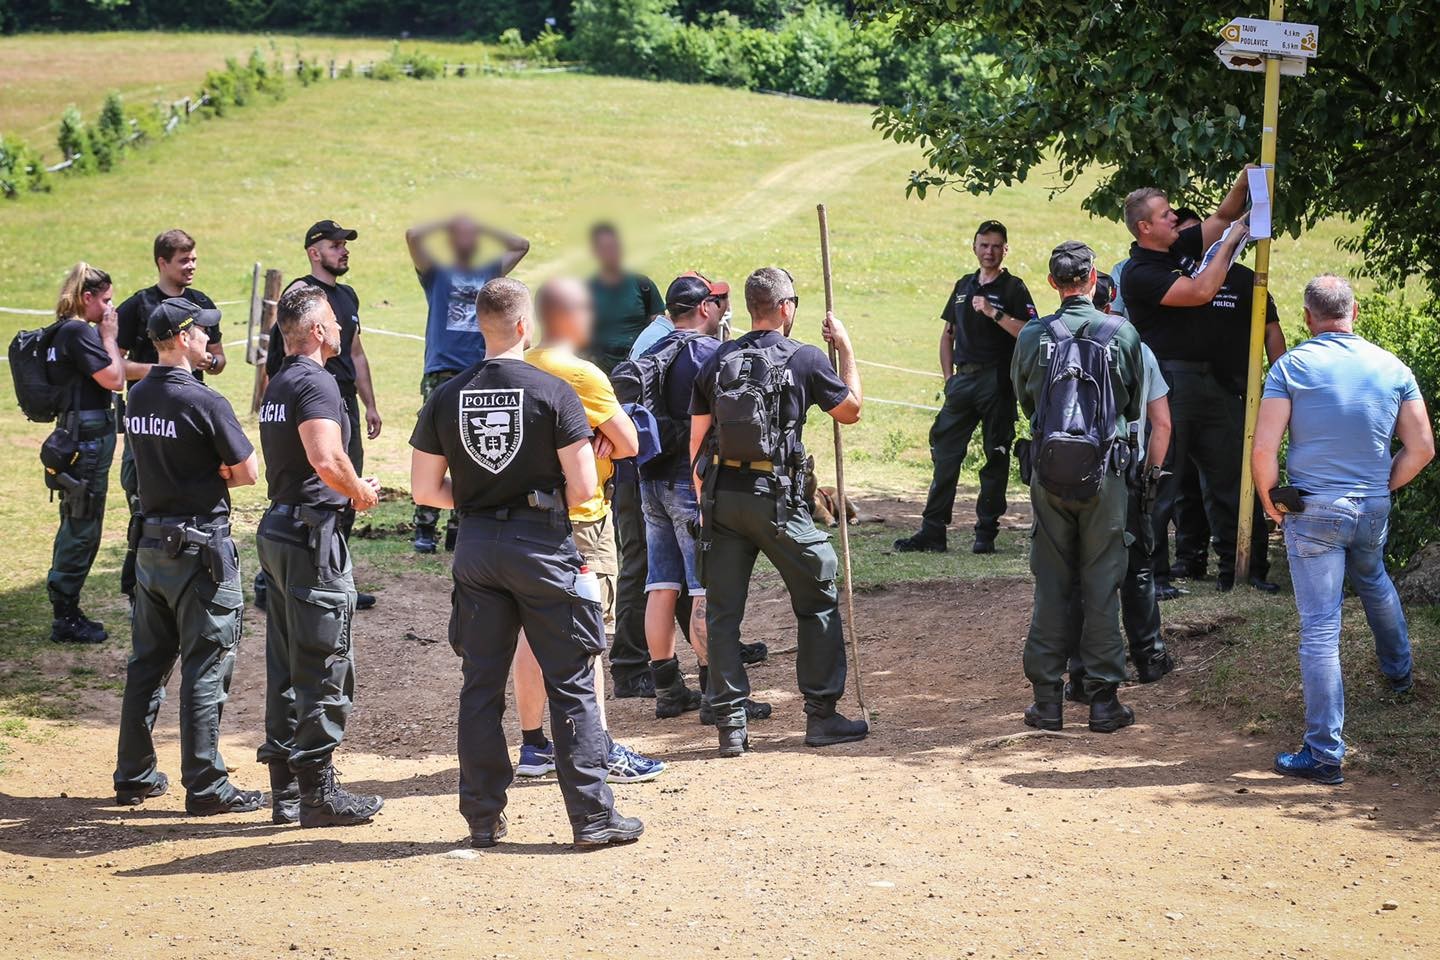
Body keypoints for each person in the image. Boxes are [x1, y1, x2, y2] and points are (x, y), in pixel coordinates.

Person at [410, 276, 644, 849]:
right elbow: (584, 487)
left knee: (480, 686)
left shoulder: (446, 395)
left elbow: (423, 489)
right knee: (571, 681)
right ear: (524, 326)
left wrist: (474, 500)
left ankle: (483, 819)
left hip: (476, 547)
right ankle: (591, 818)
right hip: (541, 546)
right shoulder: (552, 391)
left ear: (481, 326)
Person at [1254, 275, 1434, 785]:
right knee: (1374, 578)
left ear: (1308, 317)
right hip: (1371, 504)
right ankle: (1399, 676)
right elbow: (1422, 448)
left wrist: (1272, 504)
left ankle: (1324, 751)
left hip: (1312, 509)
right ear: (1353, 311)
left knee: (1320, 626)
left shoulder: (1291, 366)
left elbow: (1265, 448)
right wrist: (1382, 486)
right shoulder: (1393, 367)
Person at [690, 267, 867, 757]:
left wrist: (708, 506)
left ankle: (730, 724)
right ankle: (822, 715)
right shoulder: (805, 358)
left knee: (723, 613)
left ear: (750, 307)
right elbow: (850, 410)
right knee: (818, 593)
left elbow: (695, 449)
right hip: (777, 498)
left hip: (723, 498)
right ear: (786, 307)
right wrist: (847, 349)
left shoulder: (719, 357)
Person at [112, 297, 262, 814]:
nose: (209, 341)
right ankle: (206, 785)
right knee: (206, 666)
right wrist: (219, 470)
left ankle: (132, 774)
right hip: (199, 551)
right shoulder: (205, 400)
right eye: (203, 333)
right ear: (181, 337)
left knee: (146, 666)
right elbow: (247, 473)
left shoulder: (139, 396)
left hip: (150, 549)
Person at [513, 277, 666, 784]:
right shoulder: (583, 375)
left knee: (529, 639)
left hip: (519, 521)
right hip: (580, 523)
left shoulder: (516, 366)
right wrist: (601, 435)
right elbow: (628, 443)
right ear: (571, 318)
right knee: (588, 640)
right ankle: (597, 748)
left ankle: (533, 745)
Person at [254, 285, 384, 828]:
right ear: (315, 331)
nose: (340, 327)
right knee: (326, 661)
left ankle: (286, 791)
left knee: (286, 661)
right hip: (312, 537)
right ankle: (319, 795)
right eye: (332, 320)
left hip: (281, 530)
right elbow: (327, 458)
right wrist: (360, 490)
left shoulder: (280, 381)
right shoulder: (317, 382)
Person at [1011, 242, 1144, 733]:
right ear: (1093, 280)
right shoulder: (1121, 332)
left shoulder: (1033, 334)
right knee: (1102, 584)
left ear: (1052, 283)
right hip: (1105, 472)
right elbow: (1130, 404)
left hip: (1049, 473)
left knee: (1051, 584)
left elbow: (1026, 400)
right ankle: (1103, 702)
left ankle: (1047, 702)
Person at [638, 273, 770, 724]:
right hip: (689, 484)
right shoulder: (708, 352)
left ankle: (667, 689)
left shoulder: (651, 350)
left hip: (649, 479)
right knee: (704, 588)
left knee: (660, 584)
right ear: (704, 308)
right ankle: (718, 694)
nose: (722, 309)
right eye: (718, 302)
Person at [1119, 174, 1254, 593]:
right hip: (1170, 383)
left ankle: (1238, 571)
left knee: (1229, 477)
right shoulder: (1140, 271)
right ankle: (1154, 575)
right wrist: (1230, 245)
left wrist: (1246, 180)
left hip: (1211, 379)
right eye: (1165, 214)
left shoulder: (1175, 247)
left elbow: (1222, 215)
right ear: (1145, 227)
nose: (1175, 216)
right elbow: (1201, 290)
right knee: (1164, 483)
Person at [258, 220, 382, 611]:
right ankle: (272, 581)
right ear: (314, 251)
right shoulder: (302, 295)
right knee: (307, 483)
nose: (344, 250)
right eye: (335, 244)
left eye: (345, 244)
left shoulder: (347, 296)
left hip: (341, 398)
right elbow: (280, 357)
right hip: (310, 397)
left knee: (346, 485)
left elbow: (357, 353)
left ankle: (335, 570)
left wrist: (370, 403)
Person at [1063, 273, 1174, 698]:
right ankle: (1149, 657)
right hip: (1127, 471)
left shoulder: (1061, 345)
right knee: (1138, 568)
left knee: (1078, 573)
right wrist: (1151, 474)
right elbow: (1161, 423)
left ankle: (1080, 672)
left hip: (1074, 472)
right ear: (1114, 307)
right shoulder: (1137, 349)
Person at [895, 219, 1036, 555]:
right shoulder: (963, 285)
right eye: (983, 245)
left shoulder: (1014, 288)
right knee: (945, 453)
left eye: (996, 246)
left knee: (995, 456)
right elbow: (947, 335)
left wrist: (994, 313)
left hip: (997, 381)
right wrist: (948, 379)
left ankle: (985, 533)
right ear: (974, 247)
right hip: (963, 380)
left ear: (1005, 249)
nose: (989, 252)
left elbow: (1031, 332)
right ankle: (933, 531)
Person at [1166, 210, 1287, 593]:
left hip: (1232, 396)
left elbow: (1273, 338)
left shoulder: (1251, 283)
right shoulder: (1176, 282)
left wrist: (1282, 389)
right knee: (1180, 486)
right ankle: (1185, 560)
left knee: (1234, 487)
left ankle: (1244, 570)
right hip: (1178, 394)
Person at [405, 214, 530, 554]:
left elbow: (521, 245)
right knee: (434, 441)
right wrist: (447, 221)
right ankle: (425, 525)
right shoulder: (436, 272)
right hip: (442, 368)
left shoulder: (490, 269)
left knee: (470, 442)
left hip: (479, 367)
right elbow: (414, 234)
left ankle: (459, 524)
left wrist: (485, 225)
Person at [116, 229, 227, 603]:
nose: (191, 266)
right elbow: (114, 365)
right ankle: (140, 589)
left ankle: (191, 577)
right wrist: (159, 371)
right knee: (143, 500)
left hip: (191, 414)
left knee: (193, 494)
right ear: (162, 262)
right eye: (184, 260)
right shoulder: (138, 305)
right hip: (149, 414)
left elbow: (219, 356)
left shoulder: (201, 303)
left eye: (194, 258)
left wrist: (211, 362)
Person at [586, 222, 669, 698]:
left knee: (669, 555)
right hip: (616, 429)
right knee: (638, 553)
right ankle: (630, 660)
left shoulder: (642, 288)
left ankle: (693, 651)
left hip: (640, 434)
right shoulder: (588, 292)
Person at [43, 263, 125, 645]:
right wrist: (108, 336)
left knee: (76, 518)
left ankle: (65, 605)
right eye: (106, 300)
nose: (110, 308)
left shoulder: (62, 331)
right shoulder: (79, 331)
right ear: (87, 297)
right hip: (88, 437)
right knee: (83, 522)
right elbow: (115, 379)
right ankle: (66, 615)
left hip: (73, 433)